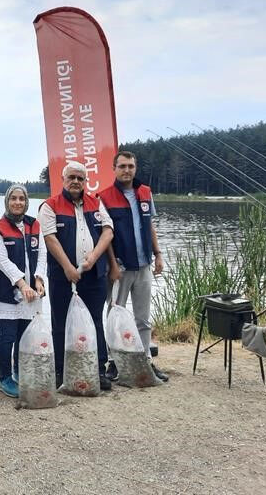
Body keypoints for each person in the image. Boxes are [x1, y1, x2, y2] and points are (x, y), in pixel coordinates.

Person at [39, 161, 114, 391]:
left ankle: (98, 368)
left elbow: (108, 231)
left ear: (85, 181)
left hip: (95, 275)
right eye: (71, 177)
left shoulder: (96, 203)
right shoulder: (49, 205)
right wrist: (67, 267)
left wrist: (94, 256)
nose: (76, 182)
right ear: (63, 179)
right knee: (61, 322)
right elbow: (50, 238)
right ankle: (61, 370)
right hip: (63, 276)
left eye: (80, 179)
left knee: (95, 321)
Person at [99, 151, 169, 382]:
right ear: (114, 168)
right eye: (122, 166)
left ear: (135, 168)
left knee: (143, 318)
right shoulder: (105, 197)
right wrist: (111, 265)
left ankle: (146, 361)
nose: (126, 170)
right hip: (120, 268)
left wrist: (157, 254)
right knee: (114, 316)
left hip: (144, 266)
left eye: (130, 166)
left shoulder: (145, 192)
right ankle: (114, 363)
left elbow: (150, 227)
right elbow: (105, 235)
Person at [0, 184, 47, 398]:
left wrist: (39, 279)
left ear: (26, 202)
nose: (17, 202)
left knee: (25, 334)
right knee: (8, 335)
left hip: (32, 291)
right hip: (7, 292)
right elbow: (2, 262)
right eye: (13, 198)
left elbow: (42, 254)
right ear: (7, 201)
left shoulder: (35, 225)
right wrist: (22, 284)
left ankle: (19, 371)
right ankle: (4, 378)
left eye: (21, 199)